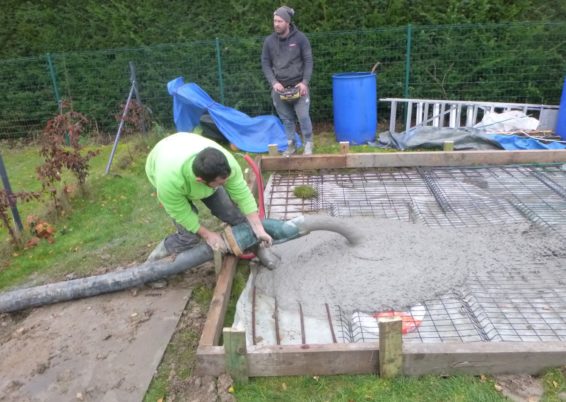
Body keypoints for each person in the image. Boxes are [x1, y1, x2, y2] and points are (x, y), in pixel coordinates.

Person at [145, 132, 272, 261]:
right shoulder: (169, 182)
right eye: (221, 183)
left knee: (232, 214)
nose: (226, 185)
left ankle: (258, 248)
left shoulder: (227, 164)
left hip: (184, 145)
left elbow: (243, 196)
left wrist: (259, 229)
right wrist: (208, 235)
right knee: (189, 237)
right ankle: (151, 264)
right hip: (164, 161)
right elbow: (181, 213)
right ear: (201, 180)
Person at [261, 6, 314, 156]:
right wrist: (273, 82)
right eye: (274, 21)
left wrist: (304, 82)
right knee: (286, 119)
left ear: (288, 22)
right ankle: (291, 145)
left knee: (303, 117)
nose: (276, 24)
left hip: (299, 87)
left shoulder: (300, 39)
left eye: (279, 21)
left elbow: (308, 61)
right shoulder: (269, 42)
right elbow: (265, 63)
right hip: (280, 89)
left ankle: (308, 144)